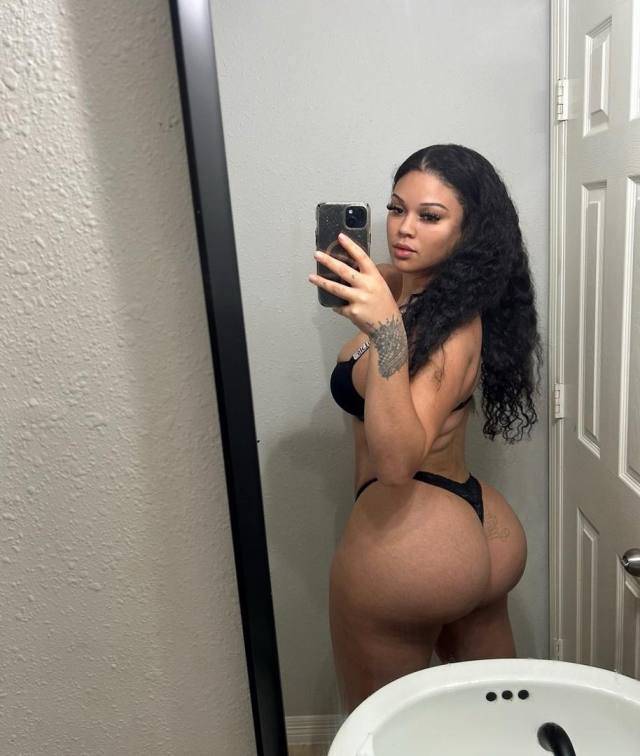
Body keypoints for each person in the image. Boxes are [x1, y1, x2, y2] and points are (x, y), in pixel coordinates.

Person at [308, 144, 543, 713]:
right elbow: (379, 285)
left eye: (430, 216)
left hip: (414, 540)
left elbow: (396, 464)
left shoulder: (451, 329)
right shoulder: (423, 295)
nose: (403, 228)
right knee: (498, 725)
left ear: (469, 233)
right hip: (474, 529)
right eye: (396, 208)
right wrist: (374, 289)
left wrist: (387, 331)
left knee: (381, 731)